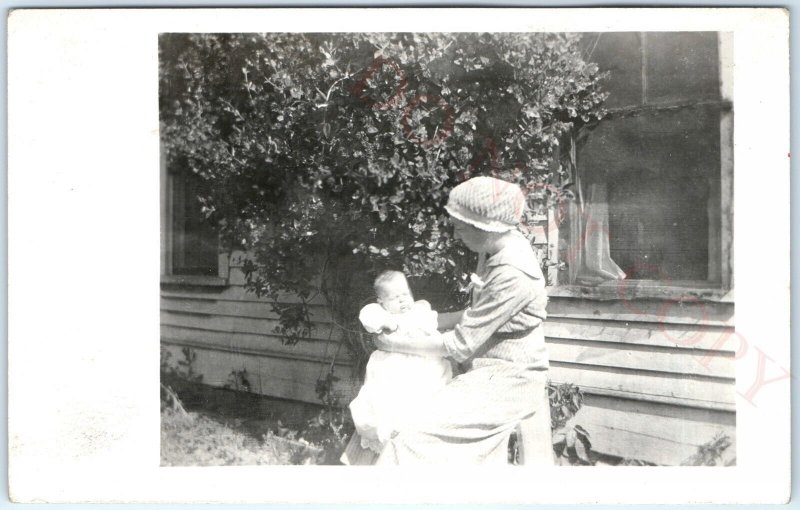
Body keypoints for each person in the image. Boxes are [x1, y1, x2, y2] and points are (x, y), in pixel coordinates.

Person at [373, 175, 554, 465]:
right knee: (397, 412)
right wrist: (418, 320)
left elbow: (460, 344)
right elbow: (477, 315)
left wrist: (393, 343)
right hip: (484, 369)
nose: (456, 236)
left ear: (486, 226)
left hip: (510, 379)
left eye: (459, 228)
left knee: (409, 438)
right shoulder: (494, 248)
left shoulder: (513, 273)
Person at [340, 271, 453, 465]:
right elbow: (368, 316)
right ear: (382, 301)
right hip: (393, 371)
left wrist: (466, 316)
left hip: (423, 370)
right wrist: (387, 321)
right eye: (394, 297)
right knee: (387, 404)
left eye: (405, 294)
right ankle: (389, 436)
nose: (402, 301)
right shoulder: (381, 313)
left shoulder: (420, 312)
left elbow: (441, 319)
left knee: (424, 403)